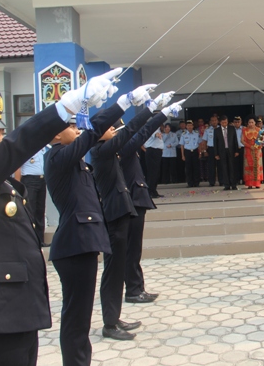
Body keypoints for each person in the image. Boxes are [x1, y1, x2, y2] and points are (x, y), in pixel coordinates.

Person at [0, 68, 117, 366]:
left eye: (2, 134)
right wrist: (62, 108)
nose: (2, 140)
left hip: (10, 316)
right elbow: (12, 149)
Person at [47, 81, 151, 363]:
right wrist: (125, 103)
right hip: (73, 245)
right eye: (71, 127)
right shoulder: (57, 158)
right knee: (76, 317)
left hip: (85, 240)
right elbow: (94, 133)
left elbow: (104, 134)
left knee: (80, 317)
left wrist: (150, 111)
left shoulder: (73, 159)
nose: (77, 131)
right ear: (56, 133)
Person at [90, 89, 171, 342]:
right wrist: (153, 111)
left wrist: (160, 113)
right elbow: (136, 133)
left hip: (122, 209)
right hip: (115, 213)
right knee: (113, 269)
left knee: (119, 266)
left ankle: (114, 318)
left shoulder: (111, 149)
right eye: (113, 129)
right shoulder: (103, 150)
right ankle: (111, 319)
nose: (118, 132)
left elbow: (136, 133)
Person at [120, 103, 179, 306]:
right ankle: (133, 290)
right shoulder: (122, 147)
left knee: (135, 250)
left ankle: (137, 288)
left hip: (137, 200)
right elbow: (141, 133)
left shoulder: (125, 146)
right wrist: (160, 114)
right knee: (131, 250)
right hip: (131, 202)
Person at [20, 147, 49, 246]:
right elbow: (18, 167)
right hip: (29, 180)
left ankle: (40, 240)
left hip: (41, 180)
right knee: (30, 210)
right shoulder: (27, 148)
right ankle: (30, 240)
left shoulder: (43, 149)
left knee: (40, 210)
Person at [213, 115, 239, 191]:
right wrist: (216, 154)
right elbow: (215, 143)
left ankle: (233, 184)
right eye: (223, 122)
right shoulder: (217, 130)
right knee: (224, 168)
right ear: (220, 122)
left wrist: (236, 150)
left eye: (226, 122)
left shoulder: (232, 129)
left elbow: (235, 140)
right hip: (222, 151)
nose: (225, 124)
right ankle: (226, 185)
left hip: (231, 150)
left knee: (232, 168)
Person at [241, 115, 263, 189]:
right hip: (248, 150)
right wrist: (250, 146)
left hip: (257, 150)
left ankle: (257, 183)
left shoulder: (259, 130)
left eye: (252, 122)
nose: (251, 124)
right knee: (249, 166)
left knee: (257, 166)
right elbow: (242, 140)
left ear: (255, 123)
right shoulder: (244, 130)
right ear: (247, 123)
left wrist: (256, 146)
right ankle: (249, 183)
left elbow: (262, 140)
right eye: (249, 122)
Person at [144, 122, 164, 198]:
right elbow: (155, 134)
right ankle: (150, 191)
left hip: (156, 151)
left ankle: (154, 190)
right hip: (152, 151)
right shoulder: (153, 128)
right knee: (152, 172)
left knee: (156, 173)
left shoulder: (157, 128)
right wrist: (157, 135)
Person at [180, 120, 201, 187]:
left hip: (195, 151)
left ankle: (196, 182)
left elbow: (199, 143)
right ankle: (190, 183)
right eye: (188, 125)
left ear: (193, 126)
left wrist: (200, 152)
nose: (189, 127)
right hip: (187, 151)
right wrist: (183, 155)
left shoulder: (196, 133)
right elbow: (182, 145)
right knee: (188, 168)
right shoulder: (183, 134)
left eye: (190, 125)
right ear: (186, 126)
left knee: (196, 167)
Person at [201, 115, 219, 186]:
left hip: (219, 149)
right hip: (211, 149)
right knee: (211, 166)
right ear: (210, 122)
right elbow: (204, 141)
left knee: (220, 165)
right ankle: (211, 182)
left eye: (215, 120)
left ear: (217, 121)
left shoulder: (221, 129)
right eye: (212, 120)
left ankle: (222, 181)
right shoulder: (207, 130)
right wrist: (205, 151)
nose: (214, 122)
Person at [233, 116, 244, 184]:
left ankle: (243, 179)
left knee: (243, 164)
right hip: (234, 149)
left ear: (241, 122)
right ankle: (236, 179)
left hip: (243, 148)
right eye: (235, 122)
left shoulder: (244, 129)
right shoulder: (231, 129)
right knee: (235, 165)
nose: (237, 123)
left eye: (238, 122)